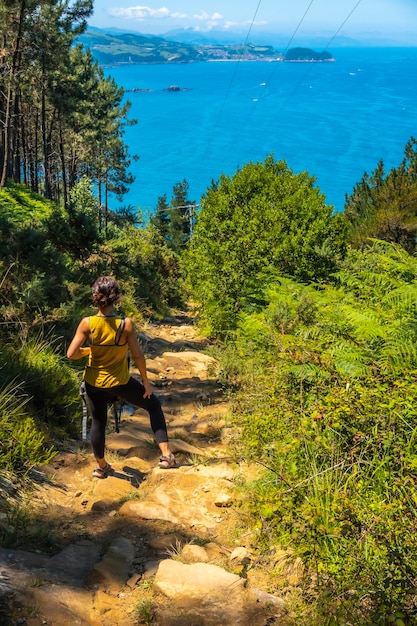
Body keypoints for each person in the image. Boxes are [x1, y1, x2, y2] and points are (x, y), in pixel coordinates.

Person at [67, 276, 177, 477]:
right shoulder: (125, 324)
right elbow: (137, 355)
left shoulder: (87, 323)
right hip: (120, 382)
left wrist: (89, 351)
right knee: (153, 406)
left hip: (93, 382)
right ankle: (166, 455)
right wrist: (145, 383)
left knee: (98, 421)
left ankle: (101, 467)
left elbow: (71, 354)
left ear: (95, 297)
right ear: (116, 298)